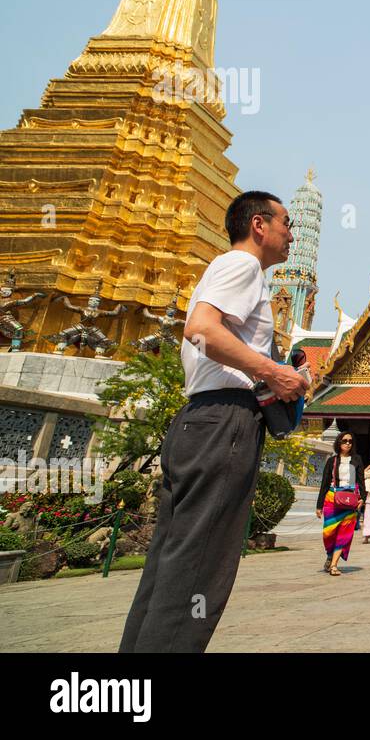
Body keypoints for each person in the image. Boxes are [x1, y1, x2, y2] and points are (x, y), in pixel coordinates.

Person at [119, 191, 307, 653]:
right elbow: (201, 330)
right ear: (259, 225)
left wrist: (274, 372)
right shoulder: (242, 265)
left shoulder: (232, 270)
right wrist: (272, 371)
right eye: (287, 223)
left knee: (174, 561)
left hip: (201, 421)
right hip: (223, 422)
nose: (291, 234)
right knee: (200, 567)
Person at [316, 432, 367, 575]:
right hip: (332, 498)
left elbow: (361, 480)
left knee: (344, 533)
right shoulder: (332, 461)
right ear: (339, 442)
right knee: (329, 533)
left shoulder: (357, 459)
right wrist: (319, 505)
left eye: (350, 441)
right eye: (344, 441)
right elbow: (324, 484)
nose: (348, 443)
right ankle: (330, 555)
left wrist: (362, 498)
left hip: (350, 500)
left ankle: (334, 565)